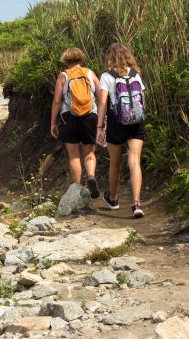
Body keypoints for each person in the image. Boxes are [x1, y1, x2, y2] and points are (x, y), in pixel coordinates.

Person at [96, 42, 146, 218]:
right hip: (136, 122)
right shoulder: (135, 74)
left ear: (109, 57)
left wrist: (100, 126)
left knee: (115, 162)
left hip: (117, 123)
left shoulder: (106, 76)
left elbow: (102, 103)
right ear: (127, 56)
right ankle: (137, 203)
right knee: (134, 161)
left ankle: (114, 199)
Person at [50, 47, 102, 199]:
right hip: (90, 116)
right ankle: (91, 176)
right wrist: (102, 118)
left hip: (69, 117)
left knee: (73, 155)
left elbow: (57, 100)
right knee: (89, 152)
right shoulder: (90, 73)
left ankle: (78, 190)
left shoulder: (63, 75)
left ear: (66, 61)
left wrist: (53, 122)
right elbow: (101, 96)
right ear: (81, 59)